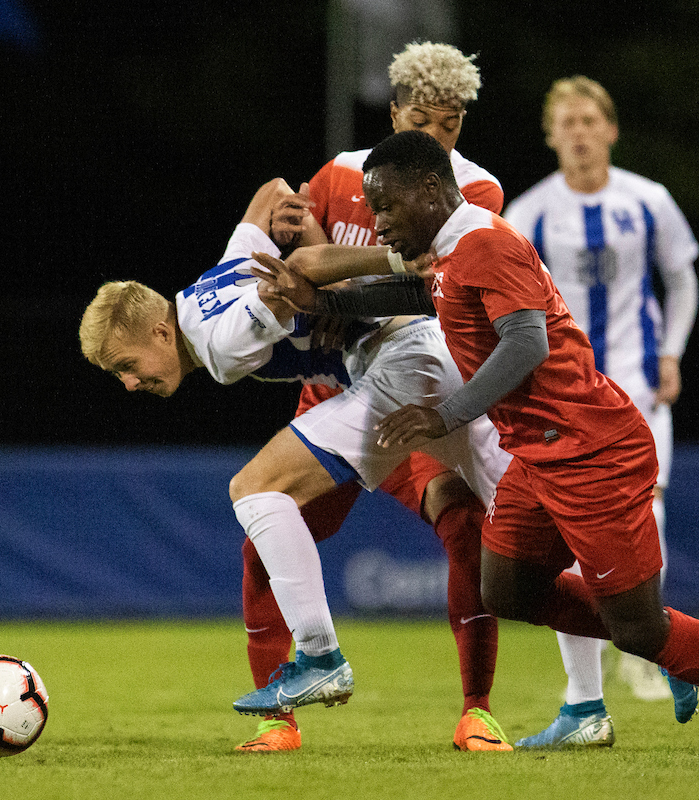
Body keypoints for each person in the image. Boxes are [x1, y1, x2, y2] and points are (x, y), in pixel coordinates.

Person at [251, 129, 699, 752]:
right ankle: (680, 643)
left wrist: (444, 414)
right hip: (538, 453)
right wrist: (320, 300)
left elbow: (527, 343)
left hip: (593, 451)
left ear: (431, 188)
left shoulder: (483, 242)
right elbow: (419, 292)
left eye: (388, 205)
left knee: (637, 626)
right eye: (373, 208)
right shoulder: (454, 248)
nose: (378, 221)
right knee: (504, 587)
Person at [78, 176, 514, 751]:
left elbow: (300, 271)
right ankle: (661, 646)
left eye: (124, 366)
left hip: (406, 368)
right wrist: (293, 211)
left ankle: (319, 655)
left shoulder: (221, 340)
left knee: (254, 491)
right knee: (535, 536)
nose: (130, 384)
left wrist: (390, 260)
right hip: (427, 364)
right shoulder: (207, 286)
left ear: (159, 331)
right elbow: (270, 191)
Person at [237, 40, 511, 754]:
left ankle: (476, 710)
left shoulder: (471, 193)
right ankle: (278, 722)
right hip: (333, 390)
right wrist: (308, 258)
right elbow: (292, 251)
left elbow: (421, 289)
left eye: (449, 126)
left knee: (467, 528)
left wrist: (334, 289)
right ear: (393, 112)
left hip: (411, 400)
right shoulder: (337, 175)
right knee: (263, 539)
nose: (434, 139)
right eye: (422, 120)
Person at [500, 76, 699, 742]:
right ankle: (587, 698)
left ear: (610, 129)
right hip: (563, 402)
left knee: (650, 511)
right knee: (561, 540)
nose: (580, 132)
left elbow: (681, 276)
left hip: (637, 391)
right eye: (568, 122)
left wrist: (670, 352)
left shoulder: (649, 201)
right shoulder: (528, 215)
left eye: (590, 120)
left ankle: (651, 645)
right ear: (551, 134)